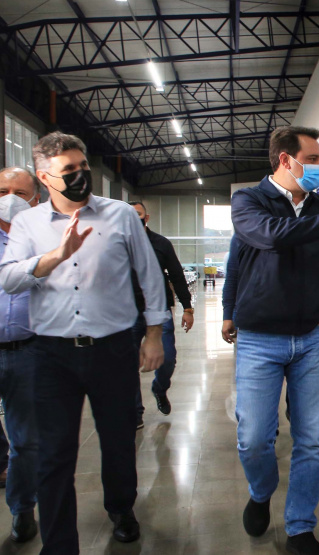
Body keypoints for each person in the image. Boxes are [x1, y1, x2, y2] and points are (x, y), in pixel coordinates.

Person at [0, 132, 167, 553]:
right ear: (44, 177)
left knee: (117, 439)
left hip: (112, 347)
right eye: (67, 171)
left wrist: (152, 334)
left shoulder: (120, 215)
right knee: (55, 454)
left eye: (82, 168)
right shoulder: (27, 224)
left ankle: (121, 508)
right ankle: (60, 544)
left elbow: (149, 275)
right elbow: (8, 278)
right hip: (50, 354)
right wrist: (55, 255)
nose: (79, 176)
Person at [230, 126, 319, 555]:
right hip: (258, 340)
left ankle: (301, 528)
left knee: (309, 439)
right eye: (314, 157)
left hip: (312, 339)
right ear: (286, 160)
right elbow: (269, 236)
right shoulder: (249, 202)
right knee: (254, 439)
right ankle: (261, 490)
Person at [0, 167, 41, 543]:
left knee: (25, 440)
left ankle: (22, 508)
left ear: (35, 198)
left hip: (27, 352)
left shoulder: (42, 242)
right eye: (2, 190)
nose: (9, 197)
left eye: (18, 191)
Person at [129, 201, 195, 427]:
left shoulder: (160, 244)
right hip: (127, 314)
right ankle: (135, 412)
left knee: (167, 358)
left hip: (159, 310)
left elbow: (177, 275)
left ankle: (159, 388)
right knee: (128, 365)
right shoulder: (116, 243)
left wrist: (187, 308)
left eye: (137, 214)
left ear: (146, 218)